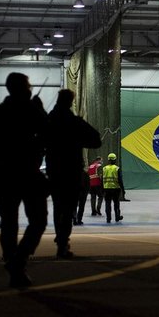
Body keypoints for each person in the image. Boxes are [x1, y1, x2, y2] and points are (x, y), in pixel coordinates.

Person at [0, 72, 49, 288]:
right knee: (38, 221)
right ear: (22, 88)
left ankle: (12, 261)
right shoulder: (31, 112)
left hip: (4, 177)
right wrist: (39, 109)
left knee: (8, 224)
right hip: (28, 174)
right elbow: (48, 132)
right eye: (28, 85)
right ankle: (19, 261)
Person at [45, 89, 101, 258]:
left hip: (54, 170)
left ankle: (60, 239)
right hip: (71, 171)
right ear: (70, 102)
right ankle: (63, 241)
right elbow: (96, 140)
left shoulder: (49, 120)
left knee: (58, 207)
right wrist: (77, 141)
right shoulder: (74, 122)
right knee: (69, 208)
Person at [102, 152, 124, 223]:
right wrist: (122, 189)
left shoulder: (104, 168)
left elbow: (102, 179)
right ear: (115, 160)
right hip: (115, 189)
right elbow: (120, 180)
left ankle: (108, 219)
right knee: (116, 203)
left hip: (106, 189)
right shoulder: (117, 168)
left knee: (107, 204)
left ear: (108, 160)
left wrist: (102, 189)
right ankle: (117, 217)